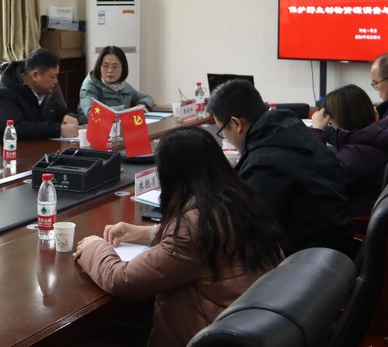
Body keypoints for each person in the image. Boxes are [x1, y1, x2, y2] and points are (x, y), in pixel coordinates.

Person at [74, 127, 284, 346]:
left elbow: (122, 279)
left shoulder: (193, 228)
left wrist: (94, 246)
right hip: (252, 326)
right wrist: (145, 233)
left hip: (210, 337)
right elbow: (209, 240)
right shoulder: (242, 199)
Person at [207, 79, 353, 256]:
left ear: (237, 124)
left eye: (222, 131)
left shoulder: (264, 163)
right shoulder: (293, 130)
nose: (225, 137)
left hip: (305, 260)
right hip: (335, 250)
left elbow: (247, 228)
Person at [310, 84, 388, 219]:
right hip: (373, 202)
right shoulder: (379, 134)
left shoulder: (356, 154)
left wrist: (317, 131)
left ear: (336, 119)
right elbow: (350, 138)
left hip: (355, 215)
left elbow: (317, 176)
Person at [0, 48, 79, 147]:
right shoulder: (4, 95)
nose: (56, 81)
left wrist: (69, 116)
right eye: (53, 77)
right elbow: (16, 128)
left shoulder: (43, 92)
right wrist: (59, 130)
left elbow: (61, 111)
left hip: (34, 150)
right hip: (3, 153)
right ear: (35, 75)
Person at [77, 45, 153, 123]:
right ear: (99, 67)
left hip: (119, 127)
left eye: (115, 67)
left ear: (123, 68)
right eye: (105, 66)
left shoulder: (124, 86)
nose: (110, 70)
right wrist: (126, 110)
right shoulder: (89, 87)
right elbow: (92, 113)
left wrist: (141, 105)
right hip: (92, 127)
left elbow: (146, 98)